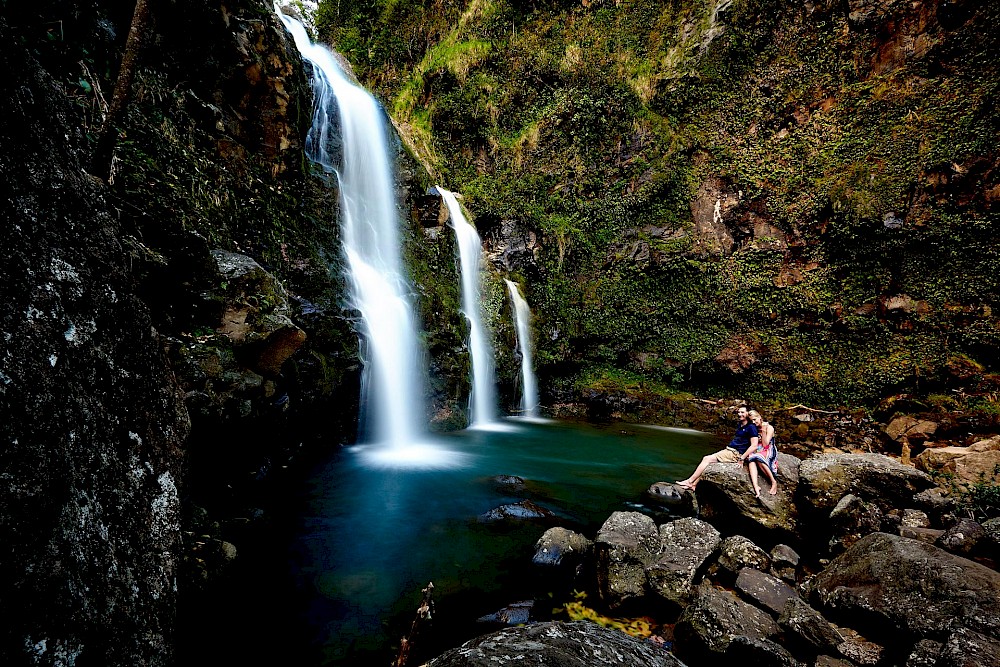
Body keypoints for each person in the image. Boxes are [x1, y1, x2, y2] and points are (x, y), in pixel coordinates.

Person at [676, 405, 759, 490]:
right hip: (729, 450)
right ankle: (694, 485)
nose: (739, 414)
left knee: (707, 459)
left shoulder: (751, 427)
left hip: (735, 453)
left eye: (742, 412)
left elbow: (754, 445)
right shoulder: (740, 424)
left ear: (748, 414)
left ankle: (689, 481)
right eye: (739, 412)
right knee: (709, 463)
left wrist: (742, 458)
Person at [744, 410, 779, 497]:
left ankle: (773, 482)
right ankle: (756, 486)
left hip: (768, 449)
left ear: (760, 418)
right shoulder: (753, 428)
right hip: (758, 448)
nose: (754, 422)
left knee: (758, 457)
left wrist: (763, 430)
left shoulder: (769, 428)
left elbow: (766, 444)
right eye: (751, 420)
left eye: (755, 419)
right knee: (751, 459)